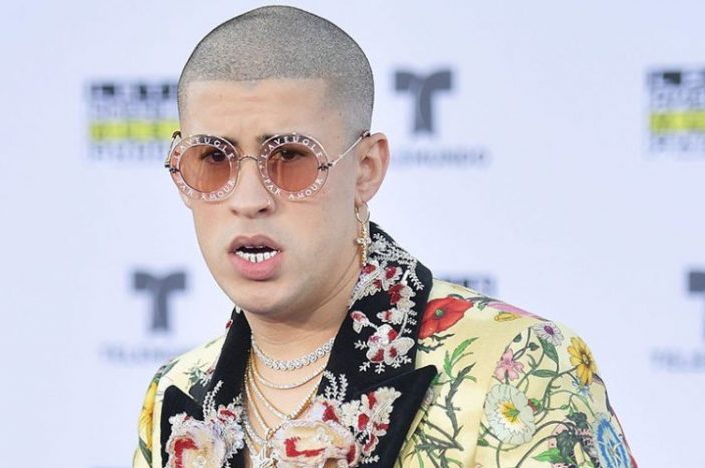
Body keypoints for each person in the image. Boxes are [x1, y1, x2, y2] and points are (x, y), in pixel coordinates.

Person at [133, 5, 635, 468]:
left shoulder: (515, 364)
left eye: (289, 157)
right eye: (212, 159)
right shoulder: (179, 393)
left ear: (366, 169)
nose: (248, 199)